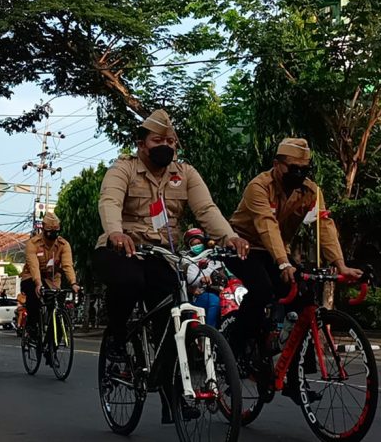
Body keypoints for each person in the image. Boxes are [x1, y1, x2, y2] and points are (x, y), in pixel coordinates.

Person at [92, 109, 249, 424]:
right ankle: (118, 339)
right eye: (158, 140)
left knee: (173, 318)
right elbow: (109, 201)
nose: (166, 146)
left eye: (171, 141)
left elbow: (205, 208)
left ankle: (172, 395)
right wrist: (116, 232)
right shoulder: (123, 169)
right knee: (129, 283)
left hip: (164, 254)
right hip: (123, 248)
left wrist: (229, 237)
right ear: (141, 143)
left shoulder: (185, 174)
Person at [224, 138, 363, 398]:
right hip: (243, 247)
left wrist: (340, 264)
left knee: (304, 300)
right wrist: (283, 262)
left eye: (305, 169)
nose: (299, 174)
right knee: (263, 289)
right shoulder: (259, 186)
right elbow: (266, 225)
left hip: (277, 251)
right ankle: (238, 346)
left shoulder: (311, 191)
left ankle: (292, 377)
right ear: (277, 165)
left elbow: (324, 225)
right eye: (293, 168)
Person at [20, 212, 80, 340]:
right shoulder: (33, 243)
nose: (52, 234)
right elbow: (33, 265)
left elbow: (67, 265)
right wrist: (38, 283)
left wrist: (73, 283)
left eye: (56, 230)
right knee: (34, 298)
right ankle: (32, 328)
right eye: (49, 231)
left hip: (52, 279)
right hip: (31, 277)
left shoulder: (64, 245)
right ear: (43, 228)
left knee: (58, 309)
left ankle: (51, 345)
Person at [182, 228, 222, 328]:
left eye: (199, 243)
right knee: (214, 301)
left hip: (225, 292)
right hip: (203, 294)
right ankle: (212, 333)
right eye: (194, 244)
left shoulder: (217, 258)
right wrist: (202, 279)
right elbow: (191, 280)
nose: (197, 246)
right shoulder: (190, 262)